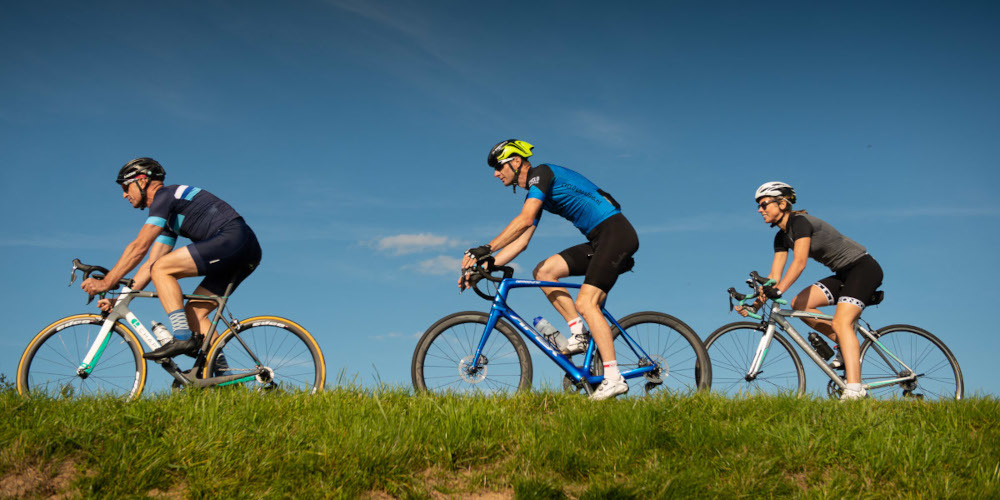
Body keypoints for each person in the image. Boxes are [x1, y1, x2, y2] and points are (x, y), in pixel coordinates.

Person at [459, 140, 639, 400]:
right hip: (599, 241)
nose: (496, 174)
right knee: (543, 271)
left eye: (499, 167)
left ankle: (613, 378)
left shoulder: (541, 173)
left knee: (587, 303)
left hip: (616, 234)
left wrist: (486, 248)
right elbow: (522, 241)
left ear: (516, 161)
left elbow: (525, 219)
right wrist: (485, 265)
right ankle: (579, 333)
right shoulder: (536, 192)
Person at [81, 157, 262, 360]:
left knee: (162, 268)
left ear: (141, 180)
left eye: (125, 186)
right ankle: (219, 374)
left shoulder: (164, 196)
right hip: (245, 248)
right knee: (194, 312)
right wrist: (121, 300)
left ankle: (182, 337)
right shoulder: (168, 216)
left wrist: (106, 282)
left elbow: (139, 247)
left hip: (232, 238)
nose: (124, 195)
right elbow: (150, 263)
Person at [737, 181, 883, 400]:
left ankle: (854, 388)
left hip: (863, 268)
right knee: (799, 304)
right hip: (842, 274)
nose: (760, 209)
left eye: (764, 204)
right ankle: (845, 344)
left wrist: (779, 290)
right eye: (759, 205)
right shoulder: (780, 236)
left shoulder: (800, 222)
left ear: (782, 203)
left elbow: (800, 262)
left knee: (842, 322)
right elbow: (774, 278)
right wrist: (756, 304)